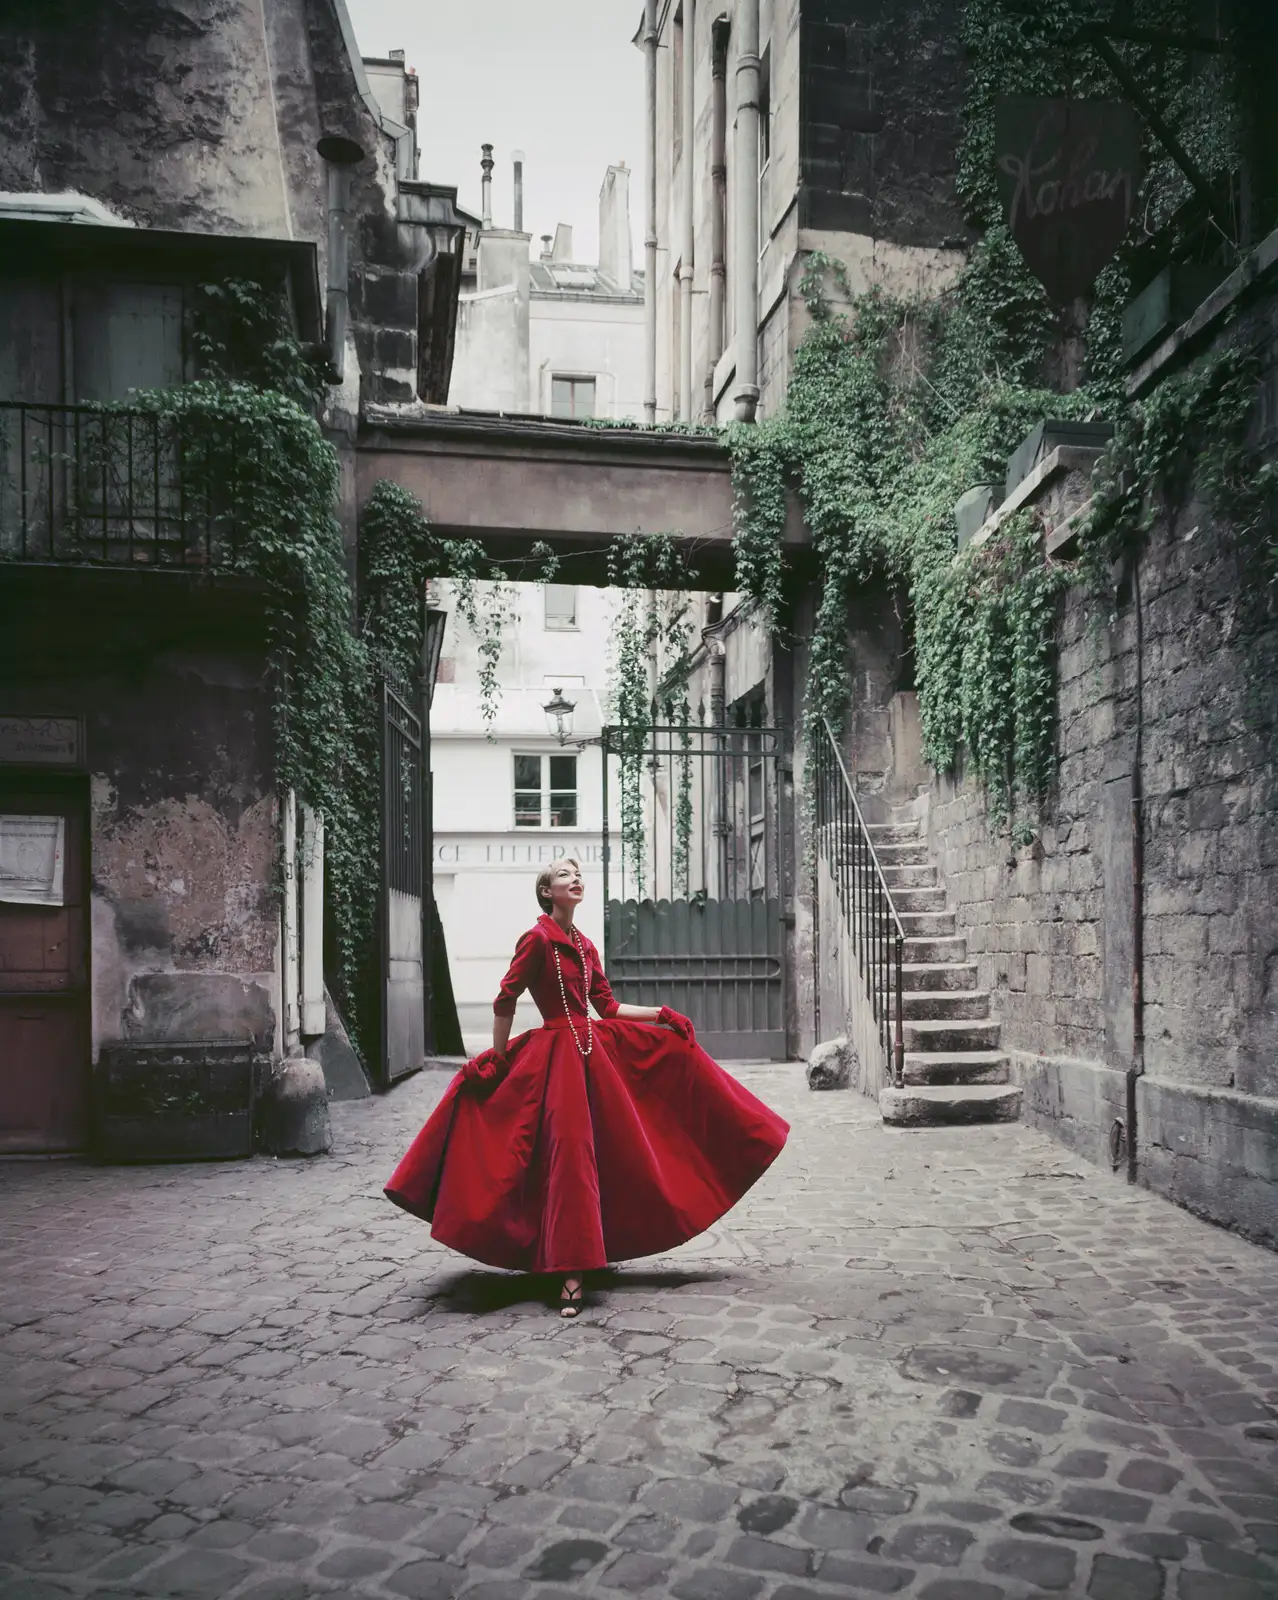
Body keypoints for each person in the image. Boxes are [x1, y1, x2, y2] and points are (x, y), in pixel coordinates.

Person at [385, 857, 790, 1318]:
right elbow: (506, 997)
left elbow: (606, 1006)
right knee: (568, 1157)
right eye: (563, 874)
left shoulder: (584, 943)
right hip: (555, 1060)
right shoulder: (536, 939)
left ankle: (591, 1249)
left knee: (606, 1152)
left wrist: (660, 1014)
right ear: (546, 892)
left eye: (578, 873)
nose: (575, 878)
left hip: (592, 1056)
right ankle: (569, 1270)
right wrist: (497, 1058)